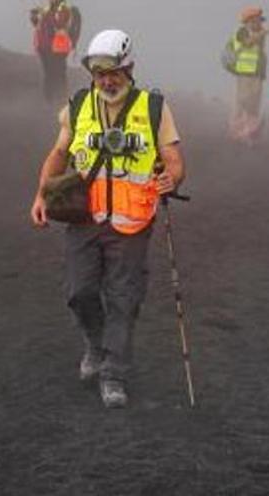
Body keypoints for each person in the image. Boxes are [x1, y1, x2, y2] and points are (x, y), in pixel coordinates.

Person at [30, 29, 186, 409]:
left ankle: (114, 374)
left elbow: (174, 159)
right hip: (83, 218)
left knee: (123, 299)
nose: (106, 80)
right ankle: (95, 345)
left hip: (133, 223)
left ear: (129, 68)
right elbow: (57, 154)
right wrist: (41, 194)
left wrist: (172, 176)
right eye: (99, 73)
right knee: (80, 293)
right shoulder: (79, 107)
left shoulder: (153, 108)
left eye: (113, 72)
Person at [222, 6, 269, 146]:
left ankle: (249, 131)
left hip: (256, 74)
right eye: (256, 20)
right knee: (243, 101)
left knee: (254, 102)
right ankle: (236, 131)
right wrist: (264, 33)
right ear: (249, 21)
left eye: (260, 21)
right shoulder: (242, 32)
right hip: (244, 72)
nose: (259, 24)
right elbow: (247, 43)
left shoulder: (258, 34)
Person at [29, 0, 82, 103]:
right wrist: (34, 17)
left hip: (59, 47)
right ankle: (49, 99)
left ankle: (60, 97)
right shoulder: (45, 9)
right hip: (44, 47)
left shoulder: (65, 10)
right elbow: (37, 25)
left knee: (59, 72)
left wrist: (73, 44)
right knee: (49, 73)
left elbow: (62, 25)